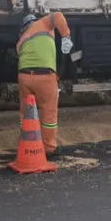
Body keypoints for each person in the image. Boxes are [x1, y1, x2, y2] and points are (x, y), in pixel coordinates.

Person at [16, 11, 72, 156]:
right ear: (34, 21)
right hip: (44, 76)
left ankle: (26, 145)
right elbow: (58, 16)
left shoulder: (21, 40)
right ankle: (48, 148)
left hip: (24, 77)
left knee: (26, 113)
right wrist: (65, 36)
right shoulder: (43, 23)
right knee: (48, 112)